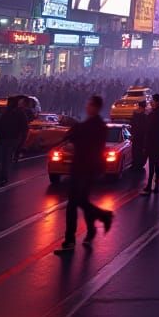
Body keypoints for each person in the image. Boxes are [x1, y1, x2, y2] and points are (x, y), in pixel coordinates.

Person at [55, 96, 114, 254]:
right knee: (82, 200)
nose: (87, 107)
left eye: (89, 104)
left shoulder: (88, 126)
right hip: (90, 169)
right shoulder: (99, 125)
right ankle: (92, 229)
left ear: (95, 107)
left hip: (82, 168)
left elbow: (74, 137)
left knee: (74, 204)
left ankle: (70, 240)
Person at [0, 96, 28, 186]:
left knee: (4, 159)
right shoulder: (19, 113)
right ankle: (2, 177)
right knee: (6, 158)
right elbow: (25, 128)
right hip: (12, 139)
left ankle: (2, 178)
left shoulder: (6, 112)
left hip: (7, 138)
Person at [142, 93, 159, 195]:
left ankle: (150, 186)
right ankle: (155, 186)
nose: (151, 102)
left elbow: (149, 131)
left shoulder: (154, 115)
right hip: (158, 144)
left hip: (153, 144)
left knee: (153, 165)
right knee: (156, 166)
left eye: (153, 100)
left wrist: (145, 145)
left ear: (157, 102)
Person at [129, 99, 148, 172]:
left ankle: (135, 164)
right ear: (143, 107)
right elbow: (146, 129)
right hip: (141, 137)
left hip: (136, 137)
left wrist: (132, 134)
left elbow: (132, 125)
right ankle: (138, 165)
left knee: (135, 150)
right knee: (140, 151)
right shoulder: (144, 116)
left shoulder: (134, 115)